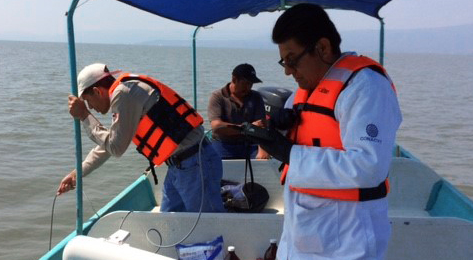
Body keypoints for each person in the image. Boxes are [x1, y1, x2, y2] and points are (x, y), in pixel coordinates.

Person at [248, 3, 401, 260]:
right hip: (302, 234)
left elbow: (368, 166)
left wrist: (290, 153)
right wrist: (280, 130)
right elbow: (307, 141)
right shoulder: (304, 89)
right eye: (283, 62)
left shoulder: (366, 87)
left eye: (292, 60)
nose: (287, 71)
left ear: (322, 48)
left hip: (347, 242)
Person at [57, 63, 225, 213]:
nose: (91, 107)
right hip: (180, 166)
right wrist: (76, 173)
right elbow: (108, 145)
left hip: (195, 164)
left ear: (96, 91)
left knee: (209, 226)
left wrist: (85, 116)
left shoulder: (123, 93)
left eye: (88, 102)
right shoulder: (125, 93)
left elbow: (115, 147)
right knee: (171, 222)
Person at [208, 63, 270, 159]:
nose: (248, 87)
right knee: (215, 165)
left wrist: (263, 150)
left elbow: (261, 126)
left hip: (249, 144)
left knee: (265, 162)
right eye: (245, 83)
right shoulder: (217, 97)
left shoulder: (256, 97)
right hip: (223, 144)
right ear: (234, 80)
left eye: (251, 84)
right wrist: (247, 128)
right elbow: (216, 126)